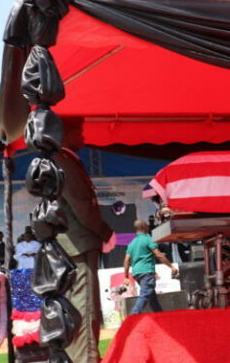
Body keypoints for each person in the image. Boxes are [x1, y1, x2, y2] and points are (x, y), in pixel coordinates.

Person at [54, 147, 114, 362]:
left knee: (78, 309)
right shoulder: (64, 160)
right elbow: (81, 204)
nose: (82, 137)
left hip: (70, 244)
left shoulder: (55, 158)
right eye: (77, 130)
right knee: (85, 309)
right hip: (79, 243)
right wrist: (105, 232)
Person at [125, 220, 178, 314]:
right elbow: (158, 255)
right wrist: (171, 266)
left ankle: (160, 317)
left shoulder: (131, 243)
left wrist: (126, 276)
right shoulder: (148, 239)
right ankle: (132, 317)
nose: (149, 227)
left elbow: (127, 260)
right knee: (144, 295)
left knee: (152, 298)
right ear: (144, 227)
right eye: (147, 226)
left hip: (137, 273)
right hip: (146, 272)